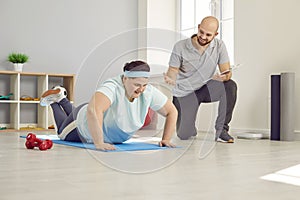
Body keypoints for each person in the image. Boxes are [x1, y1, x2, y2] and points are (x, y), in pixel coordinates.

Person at [40, 60, 178, 151]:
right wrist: (99, 143)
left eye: (144, 85)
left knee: (76, 113)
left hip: (94, 118)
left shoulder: (148, 91)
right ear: (125, 79)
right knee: (61, 134)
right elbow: (94, 110)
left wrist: (166, 139)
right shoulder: (113, 86)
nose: (141, 89)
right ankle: (54, 102)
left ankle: (62, 98)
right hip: (83, 124)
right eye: (137, 85)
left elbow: (172, 112)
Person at [164, 16, 237, 143]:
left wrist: (224, 76)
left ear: (216, 34)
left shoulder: (219, 46)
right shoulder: (180, 46)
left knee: (230, 85)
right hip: (185, 92)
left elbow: (227, 72)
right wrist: (170, 78)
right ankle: (189, 128)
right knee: (184, 134)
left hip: (205, 88)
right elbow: (173, 70)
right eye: (201, 32)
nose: (203, 37)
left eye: (208, 35)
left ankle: (221, 131)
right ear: (198, 28)